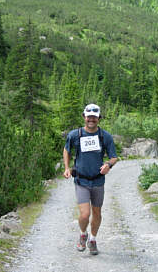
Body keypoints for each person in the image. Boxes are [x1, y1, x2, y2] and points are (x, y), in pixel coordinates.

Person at [63, 103, 118, 255]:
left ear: (99, 118)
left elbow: (114, 157)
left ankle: (92, 239)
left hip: (98, 181)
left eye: (94, 117)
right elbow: (66, 150)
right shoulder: (75, 135)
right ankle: (82, 234)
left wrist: (108, 164)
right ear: (84, 117)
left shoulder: (104, 136)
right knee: (85, 214)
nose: (91, 120)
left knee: (97, 213)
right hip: (81, 180)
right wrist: (67, 168)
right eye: (89, 117)